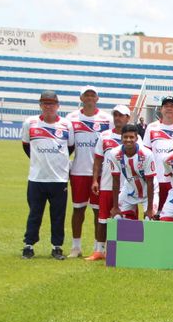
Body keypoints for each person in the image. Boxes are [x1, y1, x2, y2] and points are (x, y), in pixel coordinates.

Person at [20, 90, 75, 260]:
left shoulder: (67, 124)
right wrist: (40, 161)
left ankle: (57, 247)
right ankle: (29, 245)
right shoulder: (30, 123)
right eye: (45, 103)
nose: (48, 106)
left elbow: (70, 147)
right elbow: (26, 147)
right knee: (35, 213)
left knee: (58, 215)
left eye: (52, 103)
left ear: (58, 106)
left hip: (59, 179)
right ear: (40, 105)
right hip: (37, 178)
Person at [66, 85, 112, 258]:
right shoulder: (71, 118)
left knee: (98, 211)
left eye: (93, 95)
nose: (90, 98)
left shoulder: (107, 119)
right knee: (78, 209)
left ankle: (98, 247)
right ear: (81, 98)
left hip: (101, 174)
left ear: (97, 99)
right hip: (79, 171)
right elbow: (68, 146)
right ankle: (75, 247)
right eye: (87, 95)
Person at [88, 105, 133, 261]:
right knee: (103, 218)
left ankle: (126, 249)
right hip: (107, 184)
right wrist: (95, 179)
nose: (118, 118)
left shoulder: (135, 137)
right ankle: (99, 250)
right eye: (116, 115)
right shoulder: (105, 136)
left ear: (128, 118)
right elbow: (98, 160)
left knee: (128, 219)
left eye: (122, 115)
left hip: (128, 187)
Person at [143, 96, 173, 216]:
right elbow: (146, 154)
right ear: (161, 109)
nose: (169, 109)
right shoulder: (152, 127)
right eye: (166, 106)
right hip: (156, 179)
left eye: (172, 106)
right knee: (154, 213)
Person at [109, 123, 156, 221]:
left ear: (136, 138)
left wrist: (150, 209)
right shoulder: (114, 153)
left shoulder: (147, 154)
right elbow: (116, 180)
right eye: (125, 137)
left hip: (149, 191)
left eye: (131, 137)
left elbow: (150, 182)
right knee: (117, 218)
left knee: (149, 220)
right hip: (130, 189)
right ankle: (129, 236)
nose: (128, 140)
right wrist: (115, 206)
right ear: (121, 138)